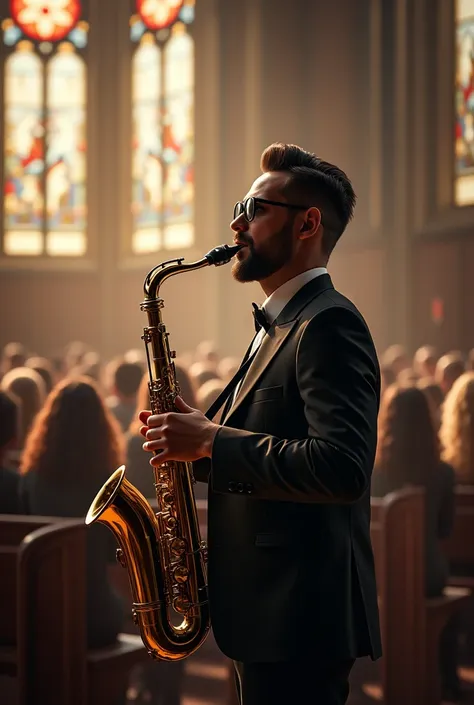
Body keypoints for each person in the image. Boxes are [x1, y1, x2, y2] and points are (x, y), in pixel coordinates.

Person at [139, 142, 381, 705]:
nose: (236, 223)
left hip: (300, 615)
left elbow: (342, 468)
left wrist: (211, 440)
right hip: (272, 610)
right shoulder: (280, 323)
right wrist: (196, 443)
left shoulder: (329, 323)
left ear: (308, 224)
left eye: (255, 208)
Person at [371, 383, 458, 700]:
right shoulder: (442, 472)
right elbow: (444, 530)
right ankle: (447, 676)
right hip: (429, 573)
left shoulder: (375, 470)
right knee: (445, 596)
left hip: (381, 573)